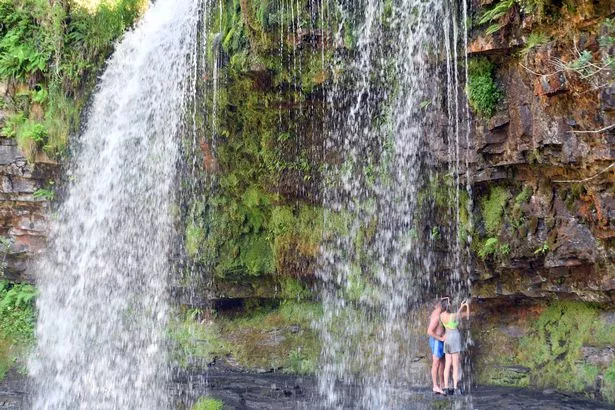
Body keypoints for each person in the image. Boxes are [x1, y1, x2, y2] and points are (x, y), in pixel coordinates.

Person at [440, 299, 470, 395]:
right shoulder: (453, 316)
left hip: (447, 338)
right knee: (455, 365)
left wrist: (460, 308)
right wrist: (465, 306)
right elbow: (467, 316)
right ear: (449, 307)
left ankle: (445, 387)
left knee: (447, 364)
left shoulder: (441, 315)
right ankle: (455, 388)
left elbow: (456, 314)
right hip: (454, 339)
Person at [426, 298, 447, 395]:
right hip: (437, 341)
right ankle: (435, 386)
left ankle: (442, 383)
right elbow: (430, 331)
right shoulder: (437, 316)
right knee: (436, 363)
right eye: (445, 305)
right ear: (441, 306)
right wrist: (441, 338)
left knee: (442, 361)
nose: (447, 307)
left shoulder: (439, 313)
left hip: (439, 340)